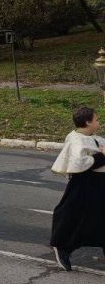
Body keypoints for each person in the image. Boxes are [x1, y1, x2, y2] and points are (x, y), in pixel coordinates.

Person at [49, 106, 105, 271]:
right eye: (96, 119)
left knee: (101, 216)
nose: (99, 122)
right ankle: (62, 247)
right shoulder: (76, 140)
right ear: (87, 122)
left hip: (100, 182)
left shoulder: (95, 137)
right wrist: (102, 156)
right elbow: (80, 163)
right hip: (84, 183)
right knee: (73, 214)